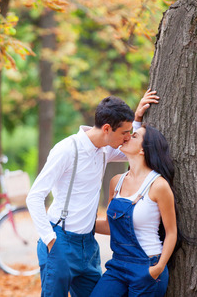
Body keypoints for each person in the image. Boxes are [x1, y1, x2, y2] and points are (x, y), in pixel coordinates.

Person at [26, 89, 160, 297]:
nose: (127, 138)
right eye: (124, 132)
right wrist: (51, 241)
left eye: (128, 133)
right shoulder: (66, 150)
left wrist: (138, 118)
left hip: (88, 246)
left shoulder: (106, 148)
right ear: (107, 128)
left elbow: (134, 150)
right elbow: (34, 196)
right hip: (60, 240)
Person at [90, 124, 177, 297]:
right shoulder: (116, 182)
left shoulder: (158, 185)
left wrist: (158, 268)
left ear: (144, 150)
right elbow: (110, 226)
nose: (128, 136)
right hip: (118, 265)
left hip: (147, 266)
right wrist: (79, 225)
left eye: (135, 135)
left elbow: (171, 232)